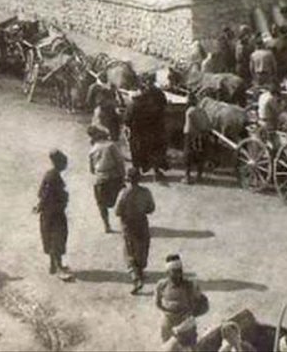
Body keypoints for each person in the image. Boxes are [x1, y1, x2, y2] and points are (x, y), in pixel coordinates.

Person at [116, 166, 156, 294]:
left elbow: (117, 211)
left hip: (128, 225)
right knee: (142, 248)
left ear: (128, 179)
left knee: (130, 251)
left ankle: (135, 278)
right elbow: (151, 208)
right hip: (141, 222)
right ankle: (141, 271)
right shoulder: (146, 192)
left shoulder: (123, 193)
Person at [35, 149, 72, 280]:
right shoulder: (53, 177)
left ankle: (54, 265)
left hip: (52, 212)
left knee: (52, 238)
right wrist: (41, 205)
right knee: (57, 238)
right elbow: (45, 194)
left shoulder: (51, 175)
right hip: (54, 213)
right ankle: (58, 267)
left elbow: (41, 193)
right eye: (64, 163)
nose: (66, 165)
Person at [155, 254, 209, 344]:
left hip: (185, 321)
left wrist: (192, 315)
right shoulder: (162, 285)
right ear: (167, 273)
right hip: (168, 322)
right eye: (174, 272)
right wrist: (168, 312)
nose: (178, 274)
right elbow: (158, 303)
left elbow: (204, 303)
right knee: (167, 346)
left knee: (189, 347)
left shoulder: (190, 285)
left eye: (179, 271)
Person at [126, 77, 169, 181]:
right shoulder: (156, 97)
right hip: (152, 129)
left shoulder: (133, 105)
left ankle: (137, 171)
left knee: (136, 151)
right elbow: (164, 106)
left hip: (137, 132)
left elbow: (127, 120)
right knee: (154, 150)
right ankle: (156, 172)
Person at [88, 125, 125, 233]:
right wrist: (123, 176)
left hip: (100, 179)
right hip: (114, 177)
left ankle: (107, 225)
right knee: (122, 201)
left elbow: (91, 170)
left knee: (101, 204)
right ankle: (123, 223)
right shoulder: (111, 146)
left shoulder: (92, 150)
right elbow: (120, 162)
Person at [183, 92, 211, 184]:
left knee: (188, 155)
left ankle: (187, 176)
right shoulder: (202, 111)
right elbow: (207, 122)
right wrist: (205, 130)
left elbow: (194, 123)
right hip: (201, 135)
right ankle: (199, 176)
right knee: (200, 154)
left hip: (191, 135)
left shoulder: (190, 111)